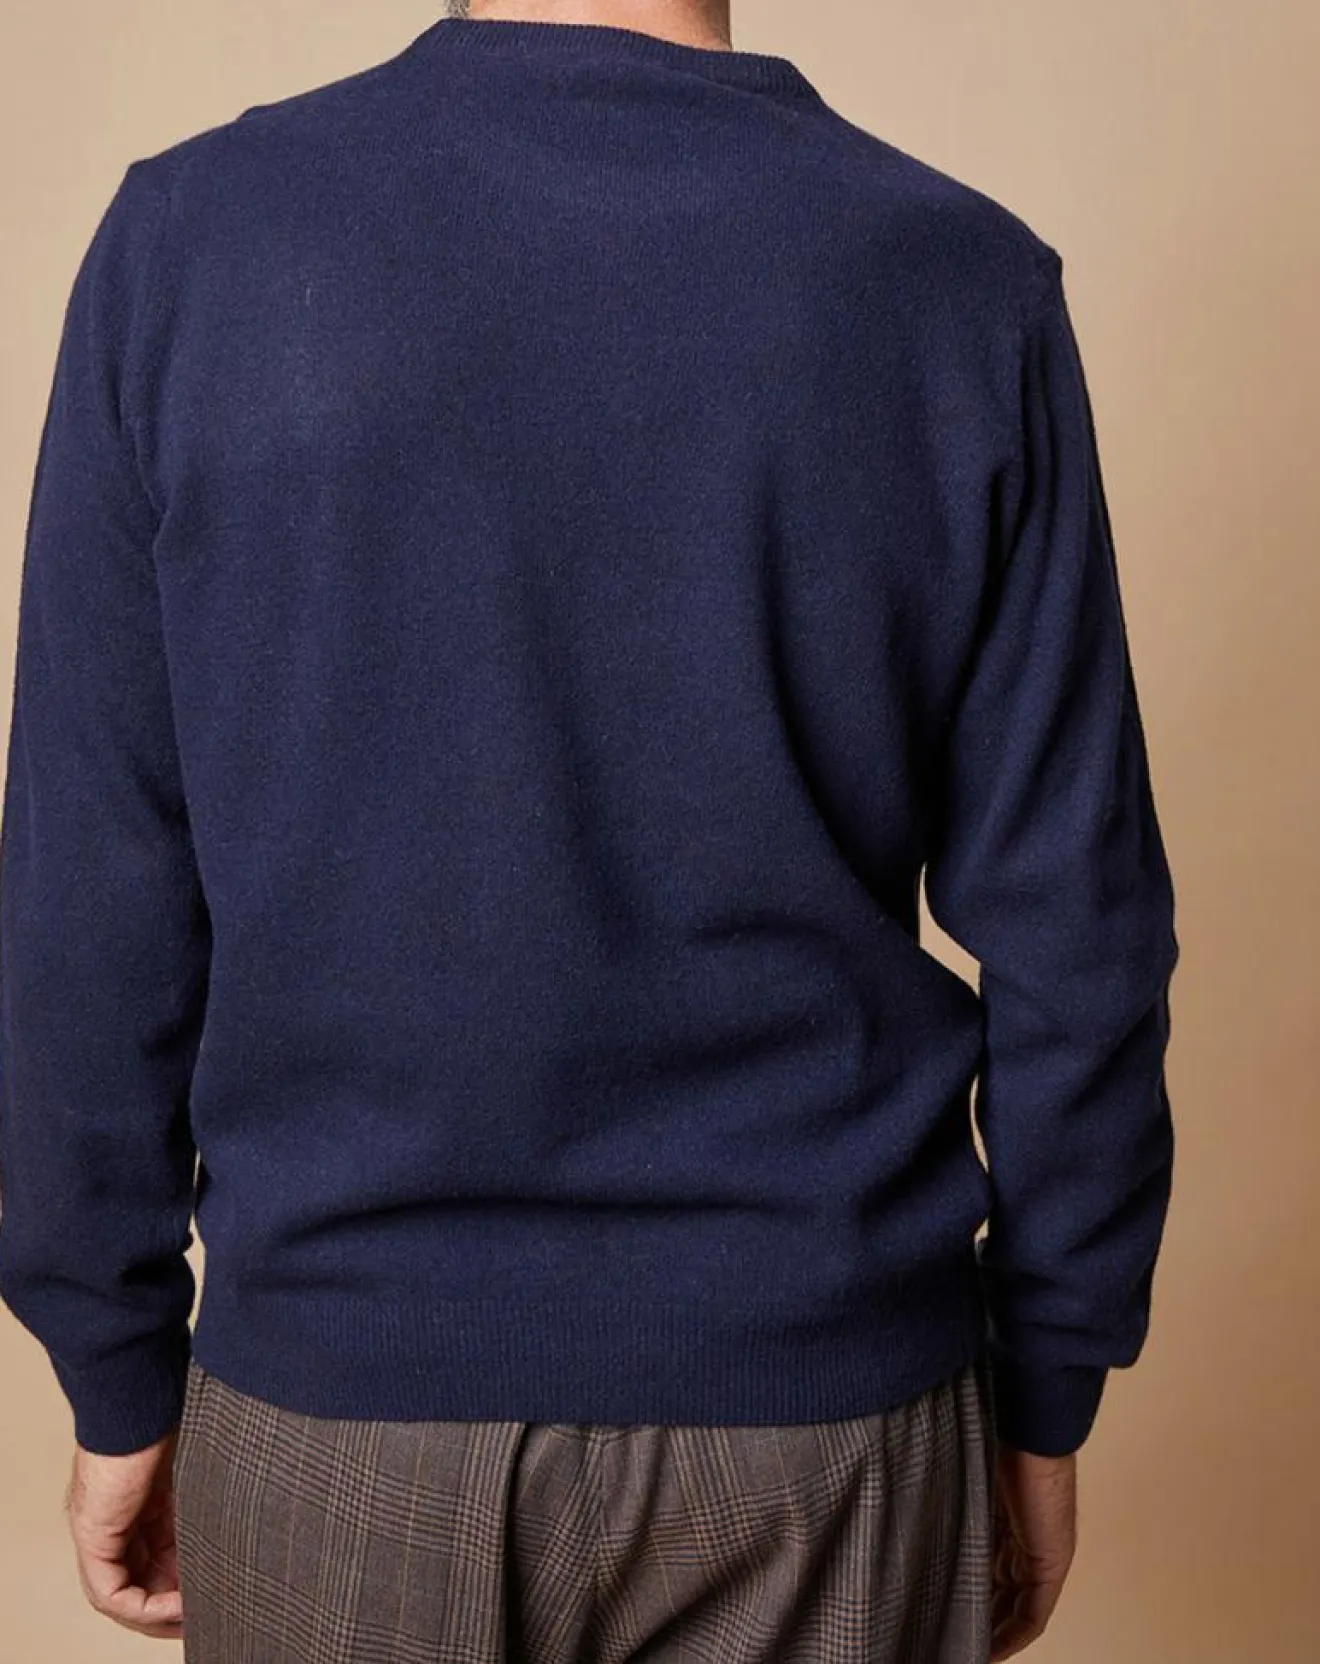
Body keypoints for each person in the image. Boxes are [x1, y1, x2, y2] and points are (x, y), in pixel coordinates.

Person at [0, 2, 1179, 1660]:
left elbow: (89, 897)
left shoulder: (193, 243)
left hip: (341, 1406)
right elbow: (1081, 924)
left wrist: (112, 1360)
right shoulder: (956, 279)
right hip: (824, 1422)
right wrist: (1048, 1380)